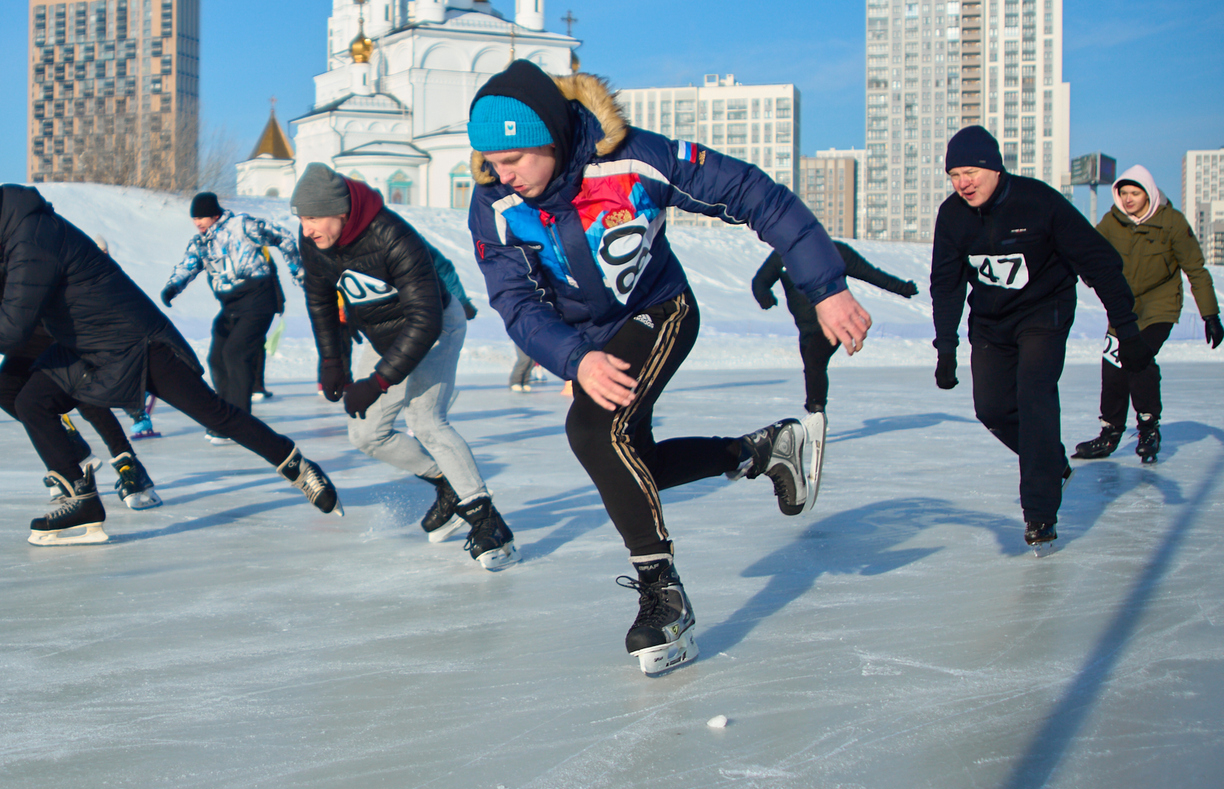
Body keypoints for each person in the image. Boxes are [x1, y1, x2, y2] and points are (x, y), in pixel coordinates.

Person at [466, 61, 869, 674]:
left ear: (548, 135)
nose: (501, 174)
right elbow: (514, 301)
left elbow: (755, 194)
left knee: (594, 432)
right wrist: (575, 357)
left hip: (660, 307)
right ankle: (760, 451)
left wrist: (825, 284)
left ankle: (664, 595)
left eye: (513, 158)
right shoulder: (493, 203)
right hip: (588, 340)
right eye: (491, 161)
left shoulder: (633, 160)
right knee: (632, 461)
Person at [0, 173, 340, 545]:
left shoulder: (32, 239)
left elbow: (11, 327)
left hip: (135, 340)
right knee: (29, 400)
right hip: (87, 344)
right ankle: (83, 504)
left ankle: (297, 466)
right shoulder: (16, 236)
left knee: (214, 413)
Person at [932, 126, 1139, 554]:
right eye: (954, 175)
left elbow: (1100, 262)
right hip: (991, 322)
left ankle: (1040, 513)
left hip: (1044, 311)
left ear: (993, 167)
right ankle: (1050, 460)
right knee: (990, 408)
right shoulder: (952, 216)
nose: (962, 183)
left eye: (969, 172)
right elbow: (946, 284)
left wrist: (1127, 327)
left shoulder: (1038, 201)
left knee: (1034, 395)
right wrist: (946, 348)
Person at [294, 164, 513, 570]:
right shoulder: (315, 242)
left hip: (436, 327)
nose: (306, 229)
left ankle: (488, 522)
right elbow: (320, 299)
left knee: (425, 419)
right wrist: (332, 361)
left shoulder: (392, 236)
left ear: (340, 211)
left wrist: (378, 382)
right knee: (365, 433)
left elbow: (425, 320)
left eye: (312, 218)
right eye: (301, 219)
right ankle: (448, 486)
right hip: (383, 336)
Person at [0, 220, 157, 509]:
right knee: (5, 391)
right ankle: (70, 451)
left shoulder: (11, 262)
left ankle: (128, 464)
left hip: (61, 332)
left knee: (81, 391)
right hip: (32, 338)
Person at [1072, 164, 1221, 464]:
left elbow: (1196, 269)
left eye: (1134, 193)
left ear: (1148, 193)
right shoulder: (1112, 222)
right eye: (1123, 193)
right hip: (1123, 308)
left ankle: (1148, 427)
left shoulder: (1172, 223)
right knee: (1112, 364)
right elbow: (1088, 251)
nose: (1128, 199)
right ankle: (1110, 433)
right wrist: (1087, 273)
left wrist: (1210, 315)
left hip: (1160, 305)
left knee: (1137, 357)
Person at [160, 192, 304, 431]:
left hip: (258, 300)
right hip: (230, 306)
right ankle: (225, 415)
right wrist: (173, 287)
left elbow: (284, 236)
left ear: (215, 214)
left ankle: (238, 420)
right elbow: (189, 265)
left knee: (235, 354)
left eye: (202, 217)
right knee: (216, 357)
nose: (198, 222)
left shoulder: (242, 225)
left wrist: (298, 271)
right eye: (194, 218)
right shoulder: (200, 242)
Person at [754, 240, 919, 414]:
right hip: (805, 328)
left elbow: (871, 274)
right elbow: (760, 281)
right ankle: (814, 413)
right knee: (811, 367)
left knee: (814, 360)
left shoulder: (835, 252)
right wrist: (764, 296)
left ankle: (816, 410)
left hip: (835, 325)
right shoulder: (784, 254)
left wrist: (902, 288)